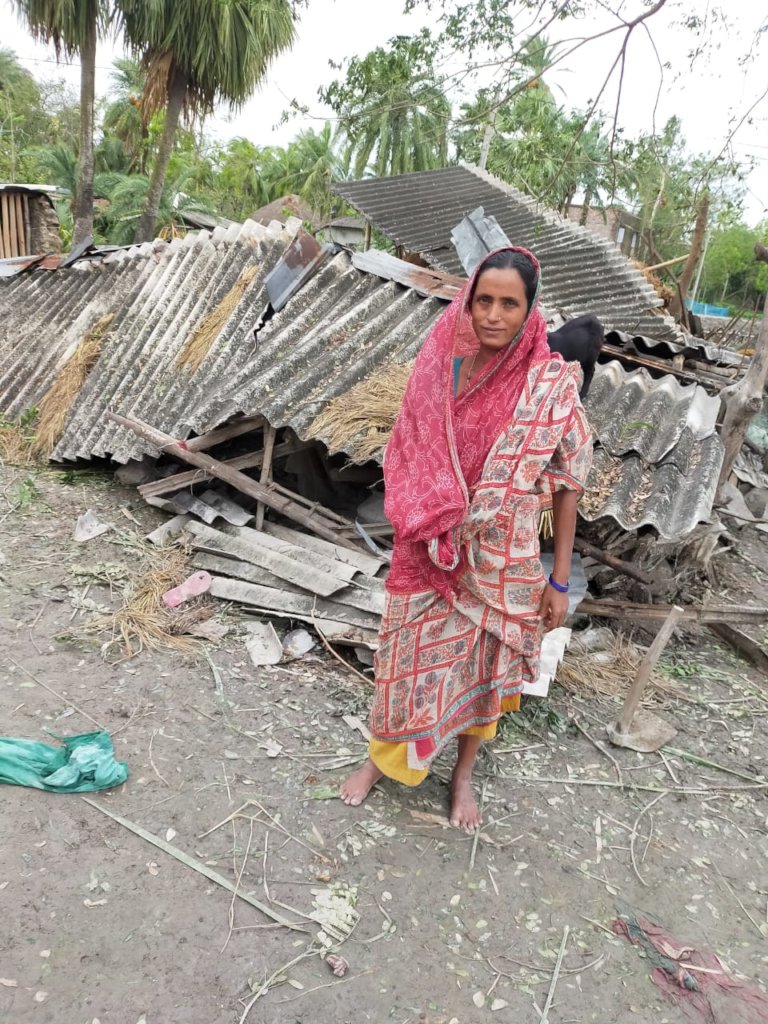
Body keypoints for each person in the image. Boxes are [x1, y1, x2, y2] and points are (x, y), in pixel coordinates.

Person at [340, 246, 593, 830]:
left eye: (510, 303)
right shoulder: (439, 364)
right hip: (426, 544)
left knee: (481, 670)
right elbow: (407, 446)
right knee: (401, 657)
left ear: (531, 311)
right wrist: (432, 511)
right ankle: (383, 760)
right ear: (468, 301)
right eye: (484, 300)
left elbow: (567, 484)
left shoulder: (547, 387)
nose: (493, 315)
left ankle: (461, 776)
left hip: (500, 555)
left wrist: (559, 579)